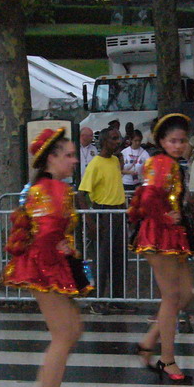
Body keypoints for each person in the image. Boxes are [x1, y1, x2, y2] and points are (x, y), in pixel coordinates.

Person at [2, 128, 90, 387]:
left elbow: (52, 231)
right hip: (45, 269)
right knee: (64, 334)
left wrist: (65, 247)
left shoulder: (53, 188)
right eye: (68, 155)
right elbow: (45, 234)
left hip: (51, 265)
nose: (74, 160)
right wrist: (60, 249)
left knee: (73, 329)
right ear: (51, 158)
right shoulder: (48, 189)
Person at [128, 113, 194, 384]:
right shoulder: (160, 162)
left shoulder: (171, 163)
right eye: (173, 141)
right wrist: (165, 216)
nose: (179, 145)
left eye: (182, 141)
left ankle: (148, 342)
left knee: (185, 294)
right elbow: (146, 197)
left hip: (171, 234)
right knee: (172, 298)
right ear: (161, 141)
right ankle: (167, 358)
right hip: (159, 235)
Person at [78, 125, 128, 313]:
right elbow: (81, 194)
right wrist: (91, 221)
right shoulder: (95, 164)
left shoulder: (115, 160)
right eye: (114, 139)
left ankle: (117, 299)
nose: (118, 142)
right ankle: (96, 299)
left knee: (119, 259)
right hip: (103, 213)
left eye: (119, 138)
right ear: (104, 141)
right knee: (102, 260)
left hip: (118, 212)